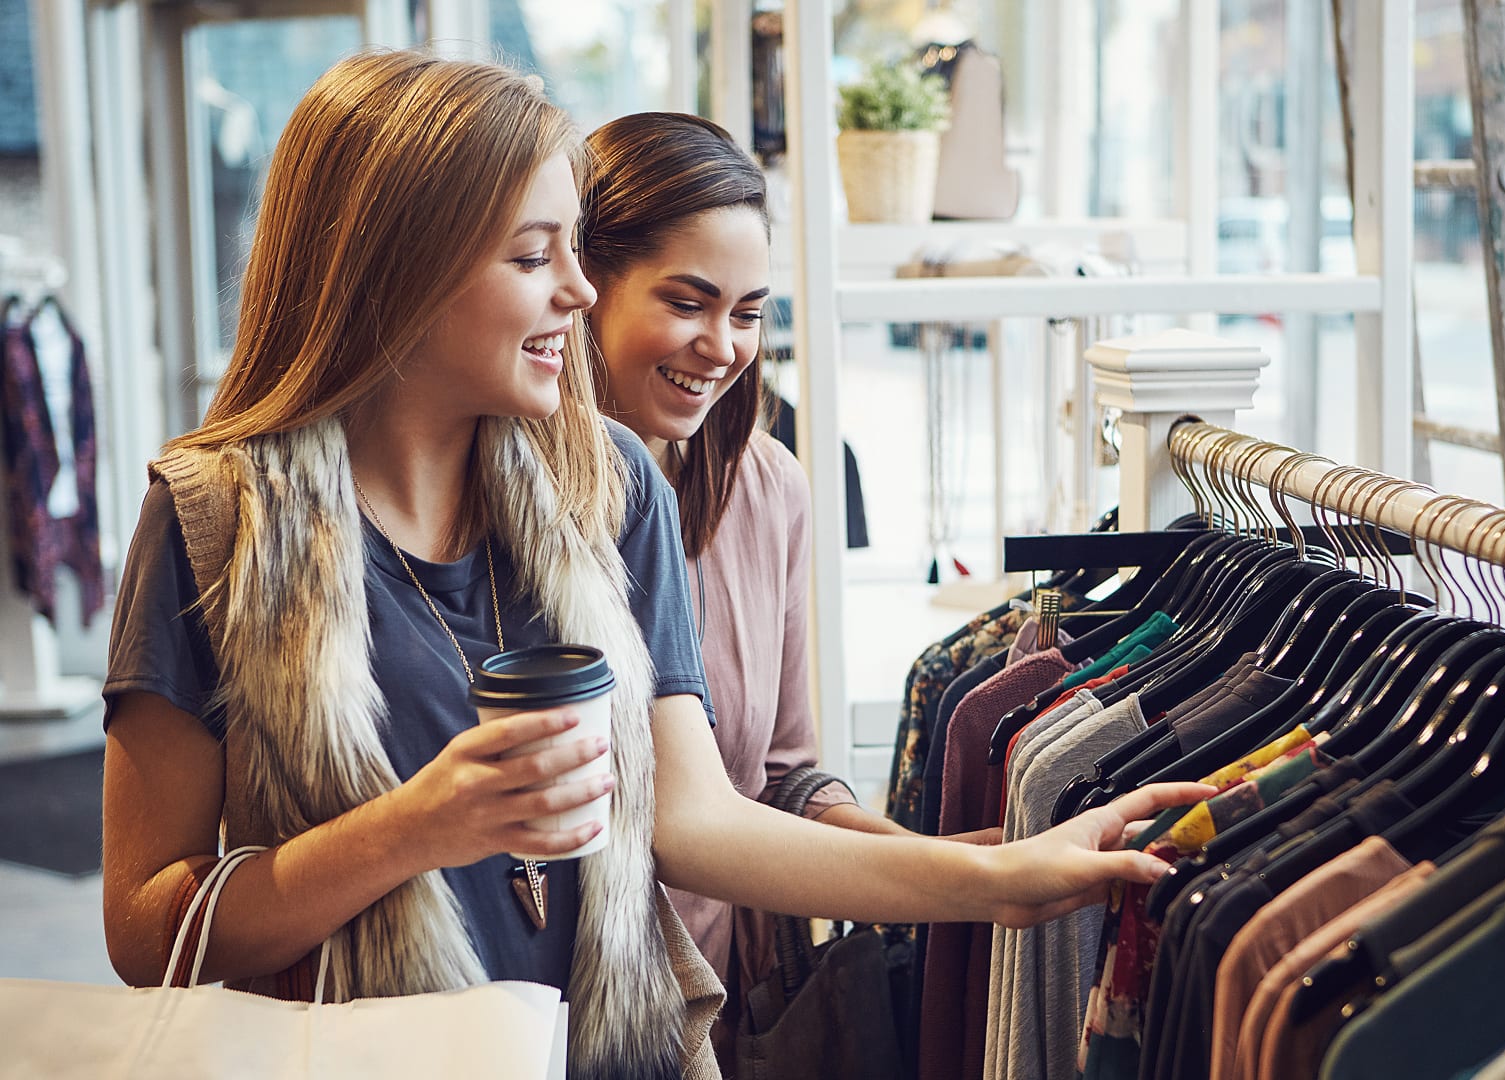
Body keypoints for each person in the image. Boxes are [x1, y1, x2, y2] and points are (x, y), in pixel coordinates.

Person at [98, 50, 1204, 1080]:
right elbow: (147, 933)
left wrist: (1000, 882)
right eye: (535, 256)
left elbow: (701, 821)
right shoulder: (214, 522)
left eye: (574, 251)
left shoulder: (609, 487)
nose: (577, 293)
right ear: (399, 269)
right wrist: (413, 829)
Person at [577, 110, 945, 1029]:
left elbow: (782, 774)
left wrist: (928, 855)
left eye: (747, 314)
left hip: (709, 1006)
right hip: (538, 1005)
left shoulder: (767, 489)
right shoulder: (498, 499)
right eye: (686, 301)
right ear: (586, 285)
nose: (724, 347)